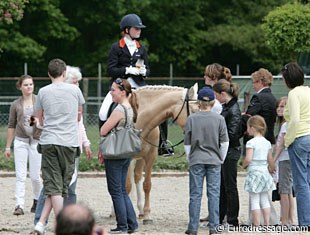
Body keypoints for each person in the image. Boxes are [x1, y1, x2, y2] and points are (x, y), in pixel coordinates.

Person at [34, 66, 92, 225]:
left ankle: (48, 221)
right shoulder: (71, 93)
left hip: (56, 141)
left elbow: (39, 119)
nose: (77, 85)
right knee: (56, 187)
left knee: (60, 187)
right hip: (68, 143)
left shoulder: (44, 91)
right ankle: (56, 222)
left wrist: (85, 142)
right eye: (75, 81)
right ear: (64, 75)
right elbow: (78, 119)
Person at [184, 86, 229, 235]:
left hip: (196, 158)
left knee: (195, 194)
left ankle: (192, 227)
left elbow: (187, 143)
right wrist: (221, 158)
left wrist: (190, 158)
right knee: (214, 194)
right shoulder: (220, 119)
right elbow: (224, 143)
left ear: (198, 102)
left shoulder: (191, 119)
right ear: (213, 101)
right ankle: (214, 227)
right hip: (214, 159)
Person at [100, 78, 138, 234]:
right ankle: (132, 223)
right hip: (125, 152)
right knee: (122, 190)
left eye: (114, 90)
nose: (111, 92)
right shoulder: (130, 108)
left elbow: (103, 130)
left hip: (115, 153)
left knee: (115, 190)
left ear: (123, 92)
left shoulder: (119, 110)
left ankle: (122, 225)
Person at [4, 75, 43, 216]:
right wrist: (8, 147)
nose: (29, 87)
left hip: (36, 141)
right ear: (20, 86)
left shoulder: (39, 100)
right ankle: (19, 204)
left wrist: (33, 121)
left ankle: (37, 200)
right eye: (26, 85)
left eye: (31, 84)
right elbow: (11, 125)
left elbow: (43, 120)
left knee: (35, 176)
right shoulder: (16, 104)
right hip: (21, 141)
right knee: (20, 175)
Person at [200, 63, 232, 223]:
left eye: (206, 75)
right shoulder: (214, 98)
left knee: (220, 183)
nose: (204, 78)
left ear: (212, 78)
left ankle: (221, 214)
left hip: (217, 145)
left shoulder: (216, 103)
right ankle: (215, 211)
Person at [281, 62, 310, 227]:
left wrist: (288, 140)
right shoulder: (308, 90)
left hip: (299, 138)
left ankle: (305, 222)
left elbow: (295, 120)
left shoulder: (293, 94)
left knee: (300, 183)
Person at [213, 79, 241, 227]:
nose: (215, 98)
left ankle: (232, 220)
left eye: (216, 95)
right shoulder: (227, 108)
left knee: (230, 187)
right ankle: (220, 218)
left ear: (222, 94)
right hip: (225, 150)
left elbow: (233, 134)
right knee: (223, 187)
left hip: (230, 152)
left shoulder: (233, 110)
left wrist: (217, 139)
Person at [242, 115, 275, 226]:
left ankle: (256, 225)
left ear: (252, 128)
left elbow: (248, 159)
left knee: (255, 200)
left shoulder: (251, 143)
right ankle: (266, 223)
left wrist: (244, 165)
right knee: (265, 199)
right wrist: (272, 167)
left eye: (247, 127)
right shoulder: (267, 142)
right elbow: (270, 158)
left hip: (254, 173)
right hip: (264, 172)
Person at [273, 96, 295, 226]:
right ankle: (289, 218)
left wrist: (273, 160)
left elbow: (281, 145)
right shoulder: (283, 124)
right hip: (286, 159)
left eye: (282, 106)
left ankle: (286, 220)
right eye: (279, 106)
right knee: (288, 190)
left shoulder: (287, 125)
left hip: (285, 159)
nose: (279, 109)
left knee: (284, 190)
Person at [241, 68, 277, 145]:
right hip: (270, 137)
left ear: (260, 81)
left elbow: (249, 115)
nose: (253, 86)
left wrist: (243, 115)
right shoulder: (273, 98)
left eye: (254, 82)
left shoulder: (258, 97)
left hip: (257, 139)